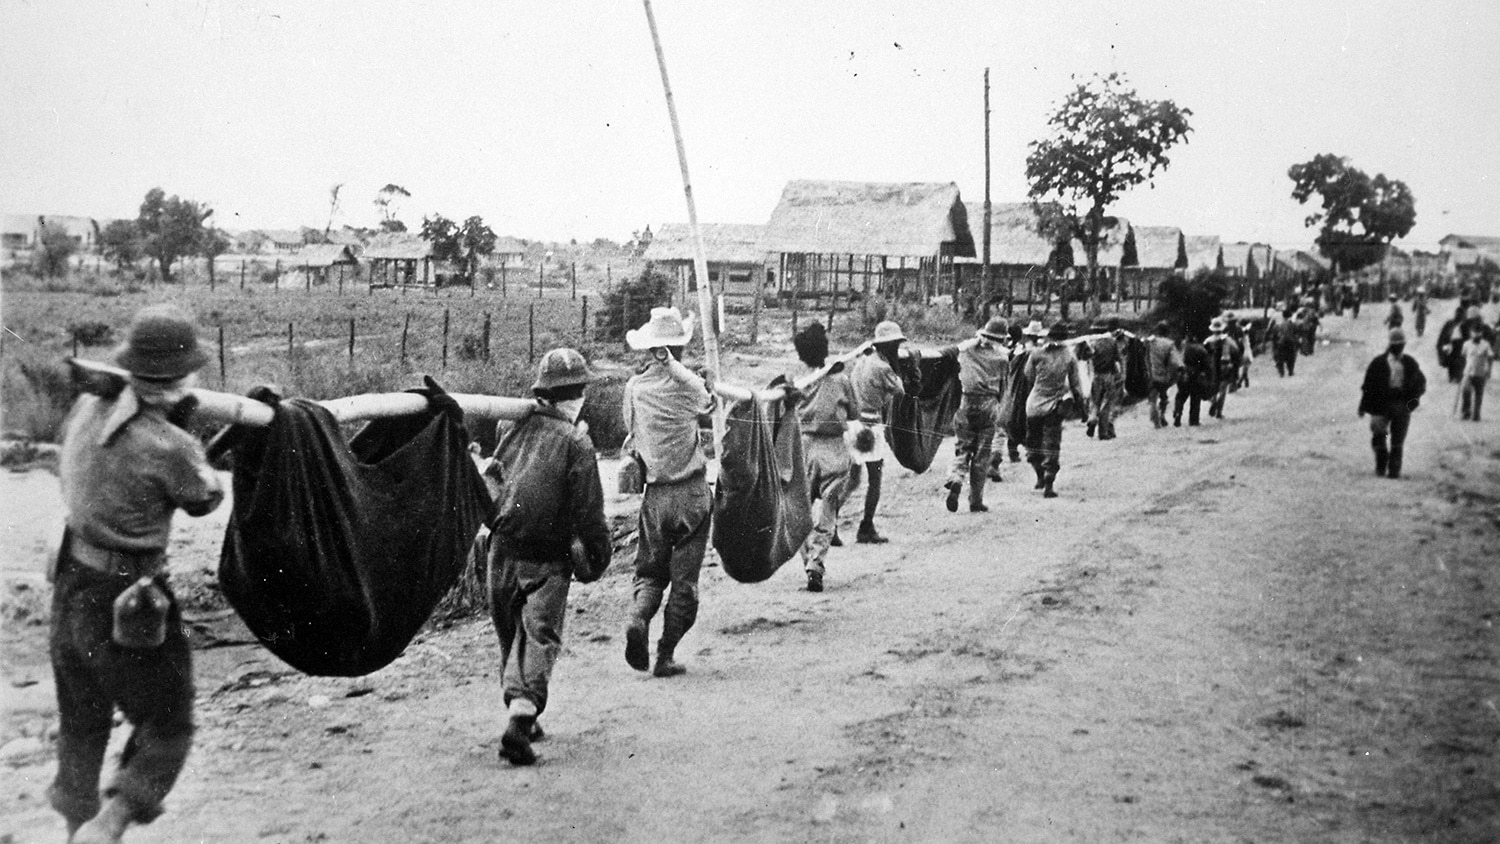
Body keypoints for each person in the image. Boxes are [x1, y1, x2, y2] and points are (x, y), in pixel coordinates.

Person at [50, 304, 225, 844]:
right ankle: (107, 827)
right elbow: (205, 496)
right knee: (168, 725)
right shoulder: (171, 445)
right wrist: (185, 435)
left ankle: (76, 827)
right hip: (129, 597)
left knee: (82, 721)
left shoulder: (86, 406)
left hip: (71, 582)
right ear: (181, 377)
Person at [484, 348, 612, 766]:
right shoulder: (576, 441)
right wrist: (598, 552)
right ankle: (520, 720)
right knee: (538, 635)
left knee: (510, 634)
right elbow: (589, 510)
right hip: (546, 557)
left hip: (500, 551)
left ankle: (522, 710)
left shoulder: (509, 423)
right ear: (574, 396)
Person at [621, 307, 713, 678]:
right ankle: (665, 654)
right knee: (684, 582)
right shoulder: (689, 388)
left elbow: (630, 433)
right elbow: (707, 401)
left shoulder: (634, 389)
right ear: (680, 348)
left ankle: (638, 616)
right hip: (691, 492)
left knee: (650, 571)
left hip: (655, 495)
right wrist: (689, 373)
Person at [787, 322, 857, 591]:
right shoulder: (840, 379)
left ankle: (808, 560)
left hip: (802, 446)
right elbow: (854, 413)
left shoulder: (795, 380)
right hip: (832, 447)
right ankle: (816, 563)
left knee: (800, 509)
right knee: (828, 508)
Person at [937, 316, 1010, 513]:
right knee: (982, 453)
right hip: (989, 404)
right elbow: (1004, 387)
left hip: (965, 402)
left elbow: (956, 349)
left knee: (962, 447)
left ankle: (956, 478)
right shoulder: (1002, 358)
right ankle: (975, 500)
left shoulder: (967, 352)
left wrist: (977, 339)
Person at [848, 320, 910, 543]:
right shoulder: (883, 367)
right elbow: (900, 390)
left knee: (851, 479)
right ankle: (866, 526)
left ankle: (831, 522)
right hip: (871, 425)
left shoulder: (862, 361)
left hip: (854, 423)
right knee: (875, 479)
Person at [1023, 322, 1086, 499]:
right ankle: (1049, 482)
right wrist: (1081, 407)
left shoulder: (1037, 354)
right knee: (1052, 444)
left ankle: (1039, 477)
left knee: (1033, 442)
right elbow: (1075, 385)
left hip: (1034, 404)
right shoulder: (1069, 356)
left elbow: (1028, 375)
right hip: (1055, 405)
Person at [1359, 328, 1426, 479]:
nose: (1398, 348)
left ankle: (1394, 470)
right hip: (1381, 404)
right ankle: (1381, 463)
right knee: (1378, 434)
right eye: (1395, 345)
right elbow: (1368, 386)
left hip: (1401, 405)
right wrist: (1363, 406)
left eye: (1401, 345)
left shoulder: (1410, 363)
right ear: (1390, 345)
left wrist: (1411, 405)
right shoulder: (1378, 363)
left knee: (1398, 440)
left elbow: (1420, 385)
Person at [1080, 317, 1124, 440]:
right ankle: (1103, 432)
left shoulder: (1092, 344)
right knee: (1107, 404)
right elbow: (1119, 358)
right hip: (1109, 375)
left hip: (1096, 375)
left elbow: (1084, 358)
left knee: (1095, 402)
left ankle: (1092, 418)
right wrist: (1121, 373)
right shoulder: (1112, 342)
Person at [1142, 321, 1182, 429]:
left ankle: (1156, 421)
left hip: (1151, 374)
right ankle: (1162, 415)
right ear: (1167, 331)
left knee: (1153, 399)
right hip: (1164, 375)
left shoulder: (1151, 341)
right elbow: (1175, 361)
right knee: (1163, 397)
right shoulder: (1169, 344)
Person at [1203, 317, 1241, 420]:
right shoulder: (1228, 340)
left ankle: (1213, 401)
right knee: (1223, 389)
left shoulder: (1208, 341)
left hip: (1212, 367)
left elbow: (1203, 354)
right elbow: (1236, 350)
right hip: (1225, 365)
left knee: (1213, 388)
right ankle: (1219, 412)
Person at [1174, 331, 1212, 427]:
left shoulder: (1182, 349)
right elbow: (1207, 366)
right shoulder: (1201, 349)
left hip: (1184, 375)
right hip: (1196, 376)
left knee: (1181, 396)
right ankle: (1194, 420)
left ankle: (1178, 413)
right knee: (1195, 398)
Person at [1461, 322, 1495, 422]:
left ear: (1482, 333)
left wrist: (1489, 370)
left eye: (1478, 332)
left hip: (1480, 373)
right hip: (1468, 372)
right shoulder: (1466, 344)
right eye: (1474, 332)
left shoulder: (1486, 344)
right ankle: (1466, 412)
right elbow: (1463, 356)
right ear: (1471, 333)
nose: (1476, 334)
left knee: (1478, 394)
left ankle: (1476, 414)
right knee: (1466, 392)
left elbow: (1490, 357)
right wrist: (1461, 370)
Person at [1437, 301, 1473, 384]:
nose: (1459, 317)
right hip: (1450, 345)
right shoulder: (1450, 324)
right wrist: (1442, 352)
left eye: (1461, 315)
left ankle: (1458, 376)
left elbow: (1468, 338)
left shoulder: (1465, 325)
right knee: (1451, 360)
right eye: (1458, 314)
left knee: (1460, 361)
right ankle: (1452, 376)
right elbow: (1442, 337)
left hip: (1461, 346)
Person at [1269, 308, 1301, 377]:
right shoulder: (1293, 325)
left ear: (1283, 316)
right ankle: (1290, 371)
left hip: (1281, 343)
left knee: (1279, 358)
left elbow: (1274, 337)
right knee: (1291, 357)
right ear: (1290, 316)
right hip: (1291, 343)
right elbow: (1297, 334)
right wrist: (1297, 343)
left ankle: (1281, 372)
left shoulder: (1277, 326)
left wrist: (1274, 346)